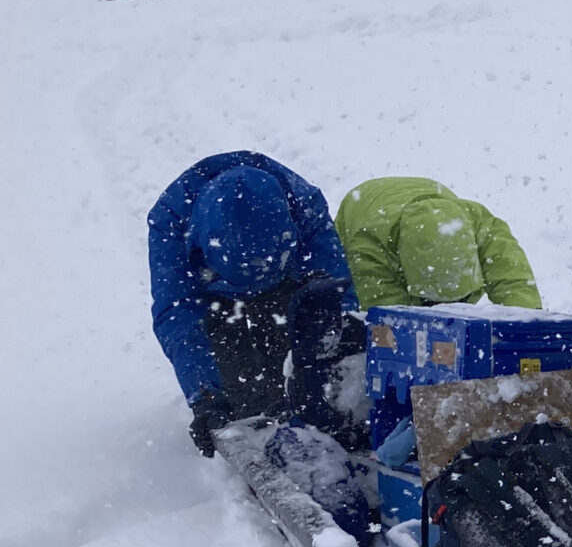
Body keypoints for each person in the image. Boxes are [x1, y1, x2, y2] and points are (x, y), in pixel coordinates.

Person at [147, 150, 360, 455]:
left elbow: (333, 293)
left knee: (295, 366)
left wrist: (332, 362)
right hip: (214, 293)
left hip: (285, 281)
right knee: (237, 391)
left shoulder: (303, 204)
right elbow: (179, 315)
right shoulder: (171, 222)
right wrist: (204, 393)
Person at [335, 176, 544, 311]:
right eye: (433, 303)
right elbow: (385, 310)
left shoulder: (484, 228)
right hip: (363, 202)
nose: (448, 309)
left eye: (460, 301)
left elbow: (514, 283)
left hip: (434, 201)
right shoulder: (368, 243)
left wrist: (526, 335)